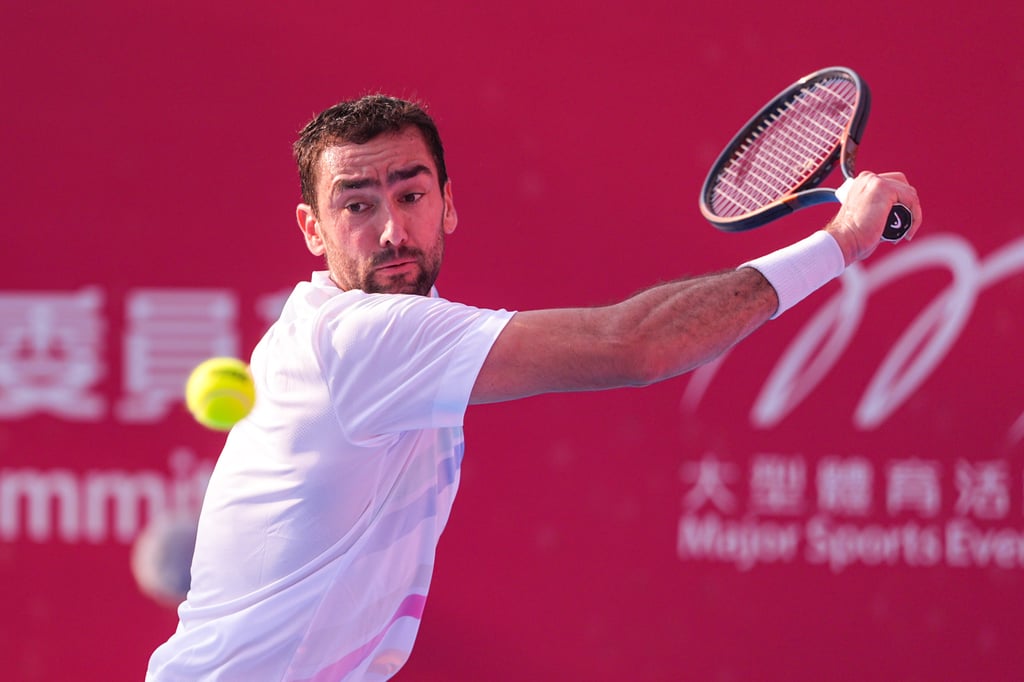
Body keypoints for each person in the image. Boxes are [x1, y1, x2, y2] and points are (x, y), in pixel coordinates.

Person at [146, 94, 921, 680]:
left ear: (449, 205)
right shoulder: (358, 339)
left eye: (411, 196)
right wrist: (841, 241)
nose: (390, 229)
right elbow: (637, 345)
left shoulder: (396, 330)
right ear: (313, 230)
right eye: (356, 205)